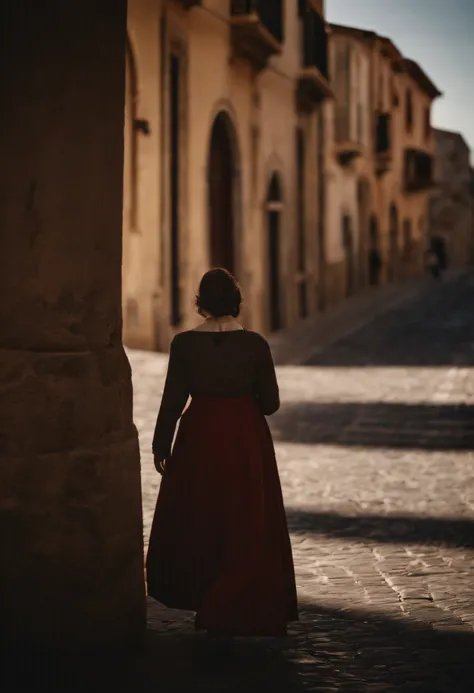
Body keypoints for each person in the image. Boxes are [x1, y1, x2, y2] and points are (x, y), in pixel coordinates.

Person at [146, 268, 298, 637]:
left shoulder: (183, 344)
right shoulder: (256, 344)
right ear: (237, 302)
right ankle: (239, 596)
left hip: (198, 437)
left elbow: (172, 401)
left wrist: (160, 444)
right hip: (245, 438)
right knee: (245, 515)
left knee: (204, 516)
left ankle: (208, 594)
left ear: (200, 304)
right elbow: (272, 404)